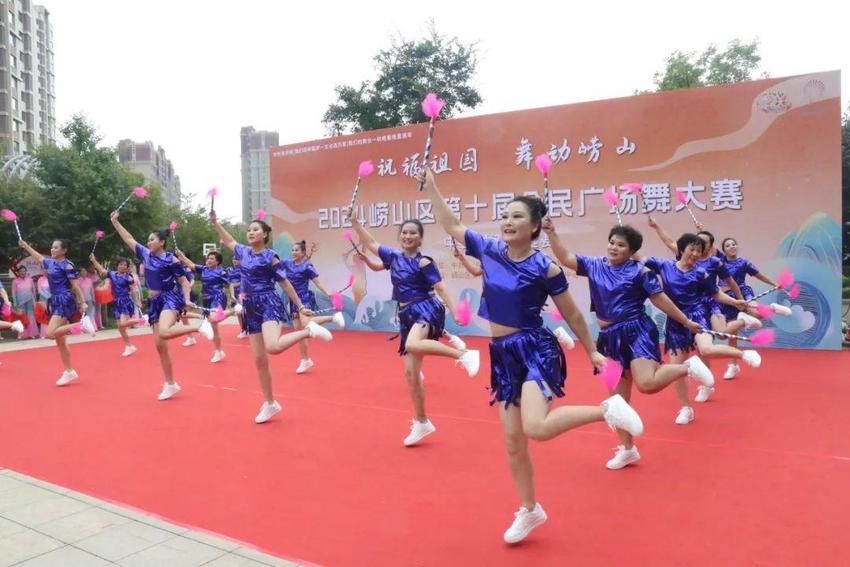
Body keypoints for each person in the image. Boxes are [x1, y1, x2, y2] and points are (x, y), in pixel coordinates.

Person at [419, 168, 643, 543]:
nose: (507, 221)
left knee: (536, 427)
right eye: (505, 215)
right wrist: (432, 188)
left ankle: (606, 410)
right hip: (502, 354)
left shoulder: (545, 266)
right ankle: (530, 510)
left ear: (536, 225)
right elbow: (451, 222)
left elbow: (572, 313)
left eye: (517, 216)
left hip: (535, 349)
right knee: (513, 440)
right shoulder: (488, 249)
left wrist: (592, 352)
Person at [347, 205, 480, 446]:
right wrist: (356, 223)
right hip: (406, 313)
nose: (408, 236)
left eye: (413, 233)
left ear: (420, 239)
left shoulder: (424, 262)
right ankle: (422, 422)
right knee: (410, 373)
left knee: (413, 344)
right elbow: (371, 241)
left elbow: (439, 288)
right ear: (400, 237)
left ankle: (463, 354)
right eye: (404, 233)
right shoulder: (393, 257)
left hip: (426, 307)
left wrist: (453, 309)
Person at [210, 210, 333, 423]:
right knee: (259, 360)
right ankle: (270, 403)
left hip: (268, 303)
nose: (250, 232)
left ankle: (308, 330)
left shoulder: (270, 257)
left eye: (255, 229)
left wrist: (301, 306)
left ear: (265, 234)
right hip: (250, 308)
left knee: (273, 347)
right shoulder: (243, 252)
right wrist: (215, 223)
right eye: (248, 230)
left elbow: (285, 284)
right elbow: (229, 240)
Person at [111, 211, 214, 400]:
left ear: (161, 243)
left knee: (165, 332)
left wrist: (186, 299)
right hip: (154, 302)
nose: (148, 242)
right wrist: (115, 222)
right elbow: (128, 238)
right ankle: (170, 384)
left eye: (152, 240)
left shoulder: (171, 259)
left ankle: (200, 325)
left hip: (169, 298)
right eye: (148, 240)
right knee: (160, 346)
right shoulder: (145, 254)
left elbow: (183, 282)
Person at [18, 238, 96, 385]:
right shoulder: (50, 262)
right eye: (52, 247)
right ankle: (69, 371)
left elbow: (75, 286)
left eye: (56, 248)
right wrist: (26, 246)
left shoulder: (67, 265)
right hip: (55, 300)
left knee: (50, 334)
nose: (52, 250)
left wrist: (83, 302)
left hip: (65, 299)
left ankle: (80, 324)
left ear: (64, 250)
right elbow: (39, 257)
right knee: (60, 341)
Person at [280, 240, 345, 374]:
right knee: (299, 333)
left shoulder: (307, 267)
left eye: (297, 250)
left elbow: (317, 282)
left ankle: (333, 317)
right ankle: (305, 360)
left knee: (306, 323)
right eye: (292, 250)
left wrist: (327, 293)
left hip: (304, 298)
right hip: (293, 301)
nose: (293, 252)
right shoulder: (287, 263)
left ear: (303, 253)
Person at [90, 254, 142, 356]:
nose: (123, 266)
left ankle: (140, 321)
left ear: (127, 267)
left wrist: (137, 301)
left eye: (125, 265)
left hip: (125, 301)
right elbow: (101, 270)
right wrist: (94, 260)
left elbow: (133, 290)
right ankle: (129, 346)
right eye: (121, 264)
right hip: (116, 302)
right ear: (117, 265)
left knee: (123, 323)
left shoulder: (129, 277)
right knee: (121, 328)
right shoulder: (112, 274)